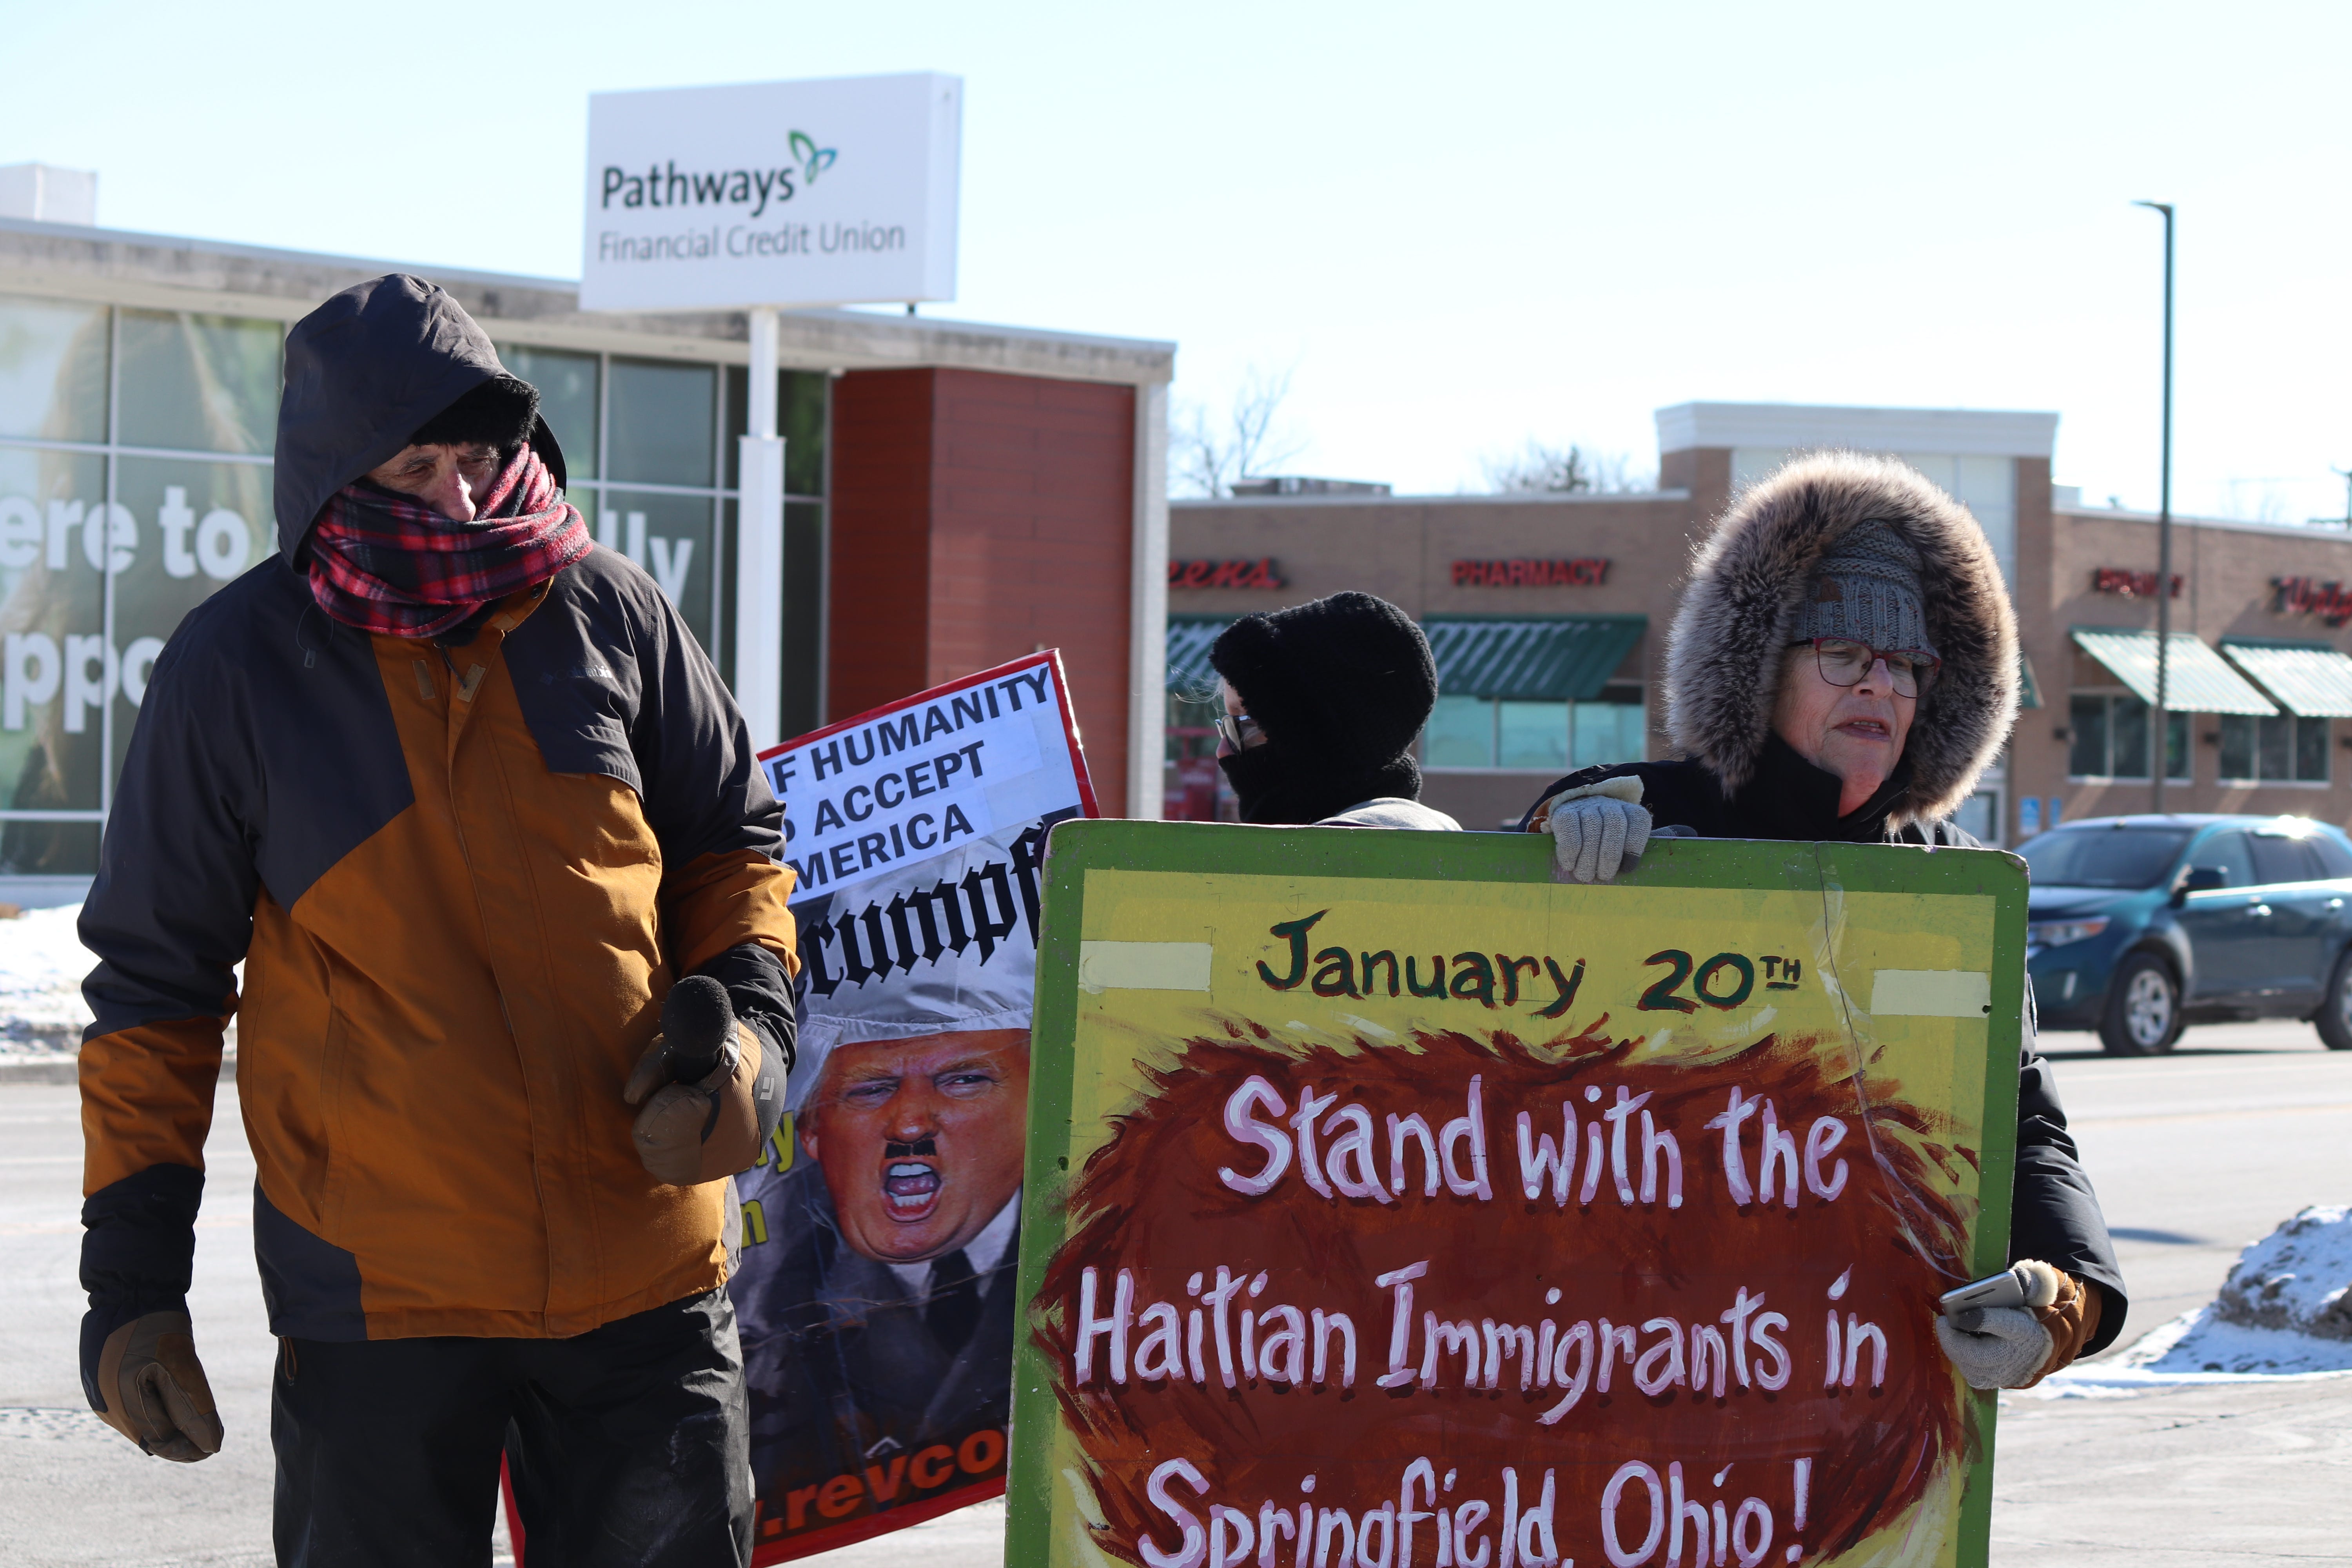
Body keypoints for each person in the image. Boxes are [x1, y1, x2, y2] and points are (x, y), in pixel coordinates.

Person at [75, 274, 796, 1566]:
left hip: (643, 1286)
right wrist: (132, 1291)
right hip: (383, 1306)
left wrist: (750, 1042)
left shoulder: (611, 612)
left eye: (480, 456)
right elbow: (155, 995)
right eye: (417, 465)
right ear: (334, 479)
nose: (465, 499)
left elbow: (735, 852)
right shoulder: (235, 669)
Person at [1520, 451, 2125, 1388]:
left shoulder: (1955, 885)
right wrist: (1540, 854)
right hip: (1620, 1360)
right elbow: (1494, 1039)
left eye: (1904, 665)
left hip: (1856, 1370)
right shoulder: (1653, 819)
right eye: (1843, 654)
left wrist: (2071, 1299)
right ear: (1762, 672)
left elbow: (2024, 1122)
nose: (1878, 685)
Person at [1207, 590, 1461, 830]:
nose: (1223, 752)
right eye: (1228, 726)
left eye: (1248, 724)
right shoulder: (1435, 839)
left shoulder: (1344, 848)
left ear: (1317, 738)